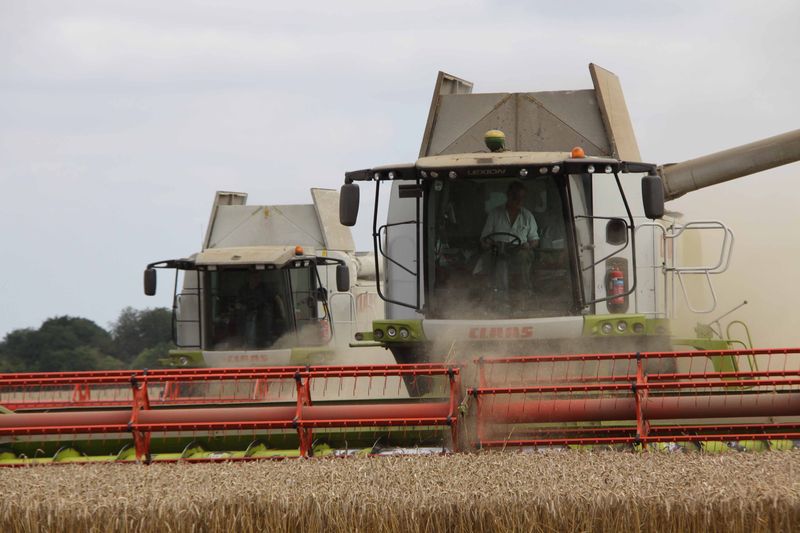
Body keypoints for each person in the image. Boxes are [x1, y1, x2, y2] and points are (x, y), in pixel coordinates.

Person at [477, 181, 539, 291]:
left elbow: (535, 239)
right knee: (494, 259)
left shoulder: (528, 216)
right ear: (509, 195)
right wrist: (489, 244)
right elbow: (484, 238)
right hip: (497, 251)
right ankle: (493, 292)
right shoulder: (495, 213)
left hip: (520, 251)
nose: (519, 200)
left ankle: (523, 291)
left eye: (522, 197)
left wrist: (528, 245)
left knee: (524, 256)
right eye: (516, 197)